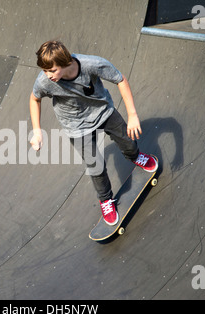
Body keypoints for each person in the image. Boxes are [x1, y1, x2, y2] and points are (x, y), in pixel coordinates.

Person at [29, 40, 157, 226]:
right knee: (95, 166)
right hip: (76, 125)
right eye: (45, 71)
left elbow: (120, 79)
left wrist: (132, 114)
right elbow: (34, 99)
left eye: (52, 71)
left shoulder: (91, 64)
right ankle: (106, 200)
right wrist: (37, 132)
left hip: (103, 111)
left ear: (65, 63)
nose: (48, 76)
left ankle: (136, 156)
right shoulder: (44, 81)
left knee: (128, 142)